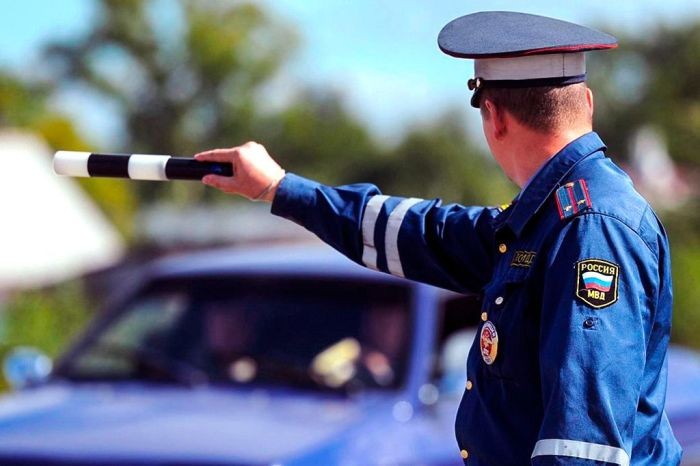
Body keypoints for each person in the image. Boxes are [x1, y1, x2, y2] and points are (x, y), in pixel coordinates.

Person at [195, 11, 682, 466]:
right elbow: (422, 233)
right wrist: (279, 188)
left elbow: (583, 448)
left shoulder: (587, 226)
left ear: (494, 116)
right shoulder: (550, 217)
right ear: (586, 104)